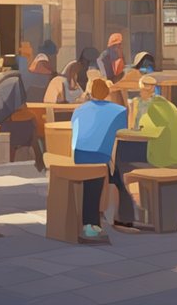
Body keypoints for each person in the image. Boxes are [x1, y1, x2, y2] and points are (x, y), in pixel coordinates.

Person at [70, 77, 129, 238]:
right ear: (108, 92)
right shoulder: (120, 111)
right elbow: (122, 136)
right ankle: (98, 222)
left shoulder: (79, 110)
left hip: (78, 155)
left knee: (94, 180)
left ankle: (94, 220)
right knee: (121, 173)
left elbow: (75, 132)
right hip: (101, 157)